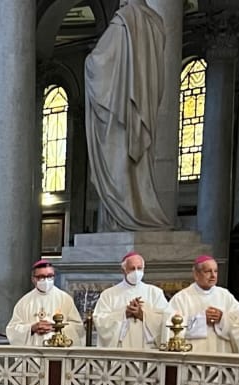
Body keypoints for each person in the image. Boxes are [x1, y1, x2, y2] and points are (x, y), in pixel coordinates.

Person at [83, 0, 173, 231]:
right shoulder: (156, 22)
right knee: (139, 170)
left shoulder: (125, 19)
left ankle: (124, 215)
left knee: (120, 168)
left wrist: (88, 62)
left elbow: (99, 63)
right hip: (144, 109)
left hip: (121, 109)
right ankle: (137, 211)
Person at [93, 252, 172, 349]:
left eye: (139, 268)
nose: (136, 272)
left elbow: (166, 320)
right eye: (132, 268)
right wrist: (124, 314)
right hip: (120, 350)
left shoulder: (155, 293)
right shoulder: (108, 294)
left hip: (147, 349)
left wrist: (142, 315)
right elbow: (100, 321)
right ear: (124, 270)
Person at [168, 256, 239, 354]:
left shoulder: (226, 296)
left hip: (221, 353)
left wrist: (222, 318)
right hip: (193, 354)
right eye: (208, 272)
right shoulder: (181, 298)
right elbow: (171, 328)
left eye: (215, 271)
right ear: (196, 274)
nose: (213, 275)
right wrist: (202, 320)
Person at [6, 259, 86, 347]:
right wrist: (31, 328)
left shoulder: (65, 299)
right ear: (33, 279)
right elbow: (12, 330)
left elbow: (78, 327)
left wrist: (57, 327)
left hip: (58, 350)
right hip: (33, 351)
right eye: (41, 277)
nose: (46, 280)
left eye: (50, 276)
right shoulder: (24, 302)